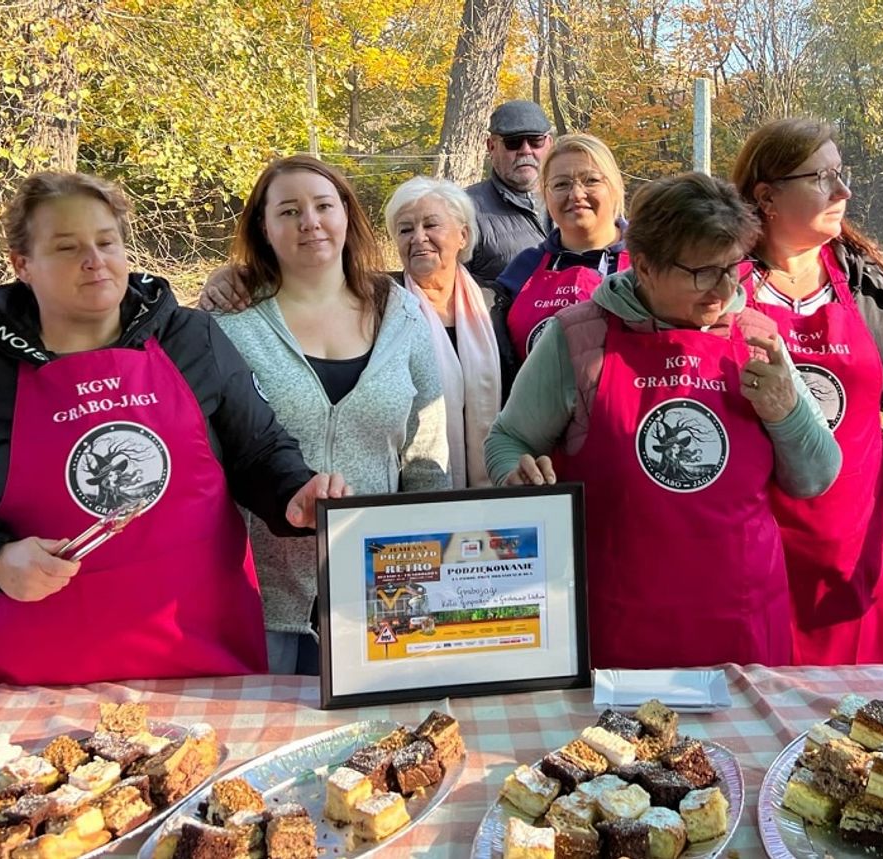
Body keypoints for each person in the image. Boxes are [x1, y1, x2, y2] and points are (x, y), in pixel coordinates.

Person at [0, 171, 348, 686]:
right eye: (66, 247)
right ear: (23, 265)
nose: (94, 260)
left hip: (200, 660)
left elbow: (258, 453)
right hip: (37, 673)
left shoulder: (191, 338)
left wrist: (293, 492)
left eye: (107, 242)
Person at [484, 172, 841, 669]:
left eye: (733, 268)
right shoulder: (579, 339)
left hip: (741, 621)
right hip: (616, 623)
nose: (722, 291)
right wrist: (515, 471)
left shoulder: (757, 338)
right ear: (646, 267)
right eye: (702, 273)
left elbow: (816, 477)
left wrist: (787, 413)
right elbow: (508, 438)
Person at [732, 118, 883, 665]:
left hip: (851, 546)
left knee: (854, 721)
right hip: (748, 550)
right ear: (766, 196)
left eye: (841, 174)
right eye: (822, 177)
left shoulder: (875, 284)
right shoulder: (716, 288)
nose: (844, 192)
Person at [212, 155, 451, 675]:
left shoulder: (401, 312)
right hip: (262, 598)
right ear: (264, 227)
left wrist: (426, 562)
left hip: (382, 593)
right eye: (289, 211)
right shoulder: (227, 323)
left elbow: (425, 453)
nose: (310, 223)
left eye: (323, 205)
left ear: (346, 213)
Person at [383, 176, 517, 487]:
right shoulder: (380, 305)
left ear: (463, 235)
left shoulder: (495, 304)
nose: (418, 237)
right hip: (411, 488)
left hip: (501, 485)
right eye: (405, 229)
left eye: (431, 225)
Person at [497, 133, 632, 362]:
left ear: (615, 187)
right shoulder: (524, 268)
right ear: (545, 196)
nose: (576, 194)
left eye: (591, 180)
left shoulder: (650, 261)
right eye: (561, 184)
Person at [464, 100, 555, 286]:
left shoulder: (578, 200)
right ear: (491, 146)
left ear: (550, 144)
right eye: (513, 143)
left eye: (535, 141)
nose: (525, 150)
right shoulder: (463, 210)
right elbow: (448, 291)